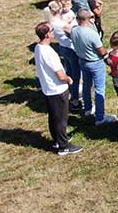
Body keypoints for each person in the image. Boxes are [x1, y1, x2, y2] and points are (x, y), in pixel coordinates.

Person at [34, 22, 82, 155]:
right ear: (47, 34)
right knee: (61, 118)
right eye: (52, 30)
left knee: (54, 117)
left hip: (48, 89)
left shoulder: (38, 48)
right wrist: (69, 79)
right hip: (57, 89)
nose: (54, 32)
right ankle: (63, 146)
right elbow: (60, 75)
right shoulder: (49, 53)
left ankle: (58, 140)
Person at [70, 9, 116, 126]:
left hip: (82, 61)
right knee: (99, 89)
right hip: (95, 63)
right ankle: (100, 117)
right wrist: (108, 52)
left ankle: (88, 109)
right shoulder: (92, 34)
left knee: (86, 85)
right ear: (89, 18)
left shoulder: (74, 30)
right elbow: (101, 51)